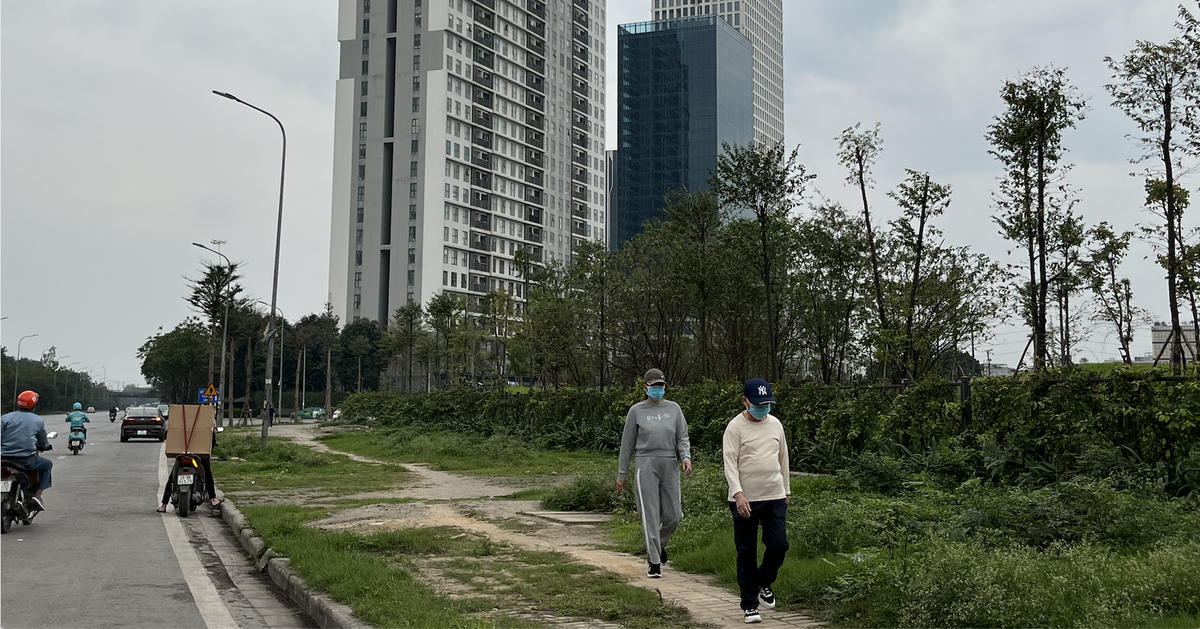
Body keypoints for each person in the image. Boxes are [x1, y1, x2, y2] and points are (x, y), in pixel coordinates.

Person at [722, 378, 790, 624]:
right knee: (746, 552)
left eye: (766, 405)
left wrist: (786, 490)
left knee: (779, 544)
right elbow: (730, 464)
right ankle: (750, 604)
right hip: (745, 499)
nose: (762, 409)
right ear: (745, 401)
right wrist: (738, 493)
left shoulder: (775, 425)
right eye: (758, 404)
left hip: (774, 495)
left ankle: (764, 581)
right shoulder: (734, 428)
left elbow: (783, 458)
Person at [617, 368, 692, 579]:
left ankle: (658, 544)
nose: (658, 390)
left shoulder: (674, 409)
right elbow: (627, 445)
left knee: (674, 516)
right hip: (645, 463)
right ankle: (654, 561)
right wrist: (622, 475)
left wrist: (685, 457)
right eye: (654, 387)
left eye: (661, 386)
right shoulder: (636, 411)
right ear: (645, 388)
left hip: (669, 463)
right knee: (649, 514)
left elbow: (682, 437)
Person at [1, 390, 54, 511]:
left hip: (3, 458)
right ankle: (37, 496)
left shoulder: (5, 418)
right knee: (47, 465)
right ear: (34, 406)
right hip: (25, 460)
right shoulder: (38, 421)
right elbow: (42, 441)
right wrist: (45, 446)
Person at [157, 427, 222, 512]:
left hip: (182, 454)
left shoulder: (180, 425)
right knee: (207, 473)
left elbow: (168, 436)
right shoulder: (204, 427)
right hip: (198, 455)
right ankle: (213, 498)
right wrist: (212, 433)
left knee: (172, 477)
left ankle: (164, 505)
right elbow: (210, 445)